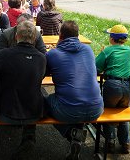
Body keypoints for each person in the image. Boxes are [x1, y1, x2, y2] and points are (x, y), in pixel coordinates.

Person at [0, 21, 46, 158]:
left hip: (5, 113)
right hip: (33, 114)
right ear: (35, 38)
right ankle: (29, 138)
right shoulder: (42, 59)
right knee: (38, 94)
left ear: (16, 37)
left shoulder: (3, 55)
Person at [44, 20, 104, 160]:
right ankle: (77, 135)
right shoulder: (88, 50)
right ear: (78, 35)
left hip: (67, 110)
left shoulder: (53, 54)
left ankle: (71, 133)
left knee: (45, 101)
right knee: (76, 100)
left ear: (60, 35)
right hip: (96, 108)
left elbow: (42, 74)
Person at [95, 24, 130, 154]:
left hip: (113, 86)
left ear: (112, 38)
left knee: (109, 112)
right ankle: (126, 143)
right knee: (123, 113)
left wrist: (102, 54)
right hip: (129, 86)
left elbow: (96, 68)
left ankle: (110, 142)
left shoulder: (108, 50)